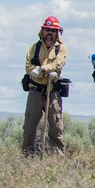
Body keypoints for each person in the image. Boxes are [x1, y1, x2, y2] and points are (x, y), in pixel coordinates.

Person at [21, 15, 68, 155]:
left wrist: (41, 70)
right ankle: (27, 157)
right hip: (35, 90)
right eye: (47, 30)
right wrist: (46, 71)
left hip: (52, 91)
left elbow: (58, 63)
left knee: (55, 127)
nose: (49, 33)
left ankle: (56, 158)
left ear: (57, 33)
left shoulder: (61, 48)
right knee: (29, 126)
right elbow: (28, 67)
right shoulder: (33, 48)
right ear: (42, 31)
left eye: (53, 30)